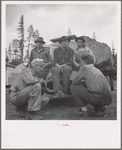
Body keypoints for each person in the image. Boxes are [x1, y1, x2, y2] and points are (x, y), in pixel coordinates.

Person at [70, 52, 112, 117]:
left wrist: (81, 81)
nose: (79, 63)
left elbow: (74, 82)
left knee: (73, 87)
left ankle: (84, 111)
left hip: (97, 98)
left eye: (80, 61)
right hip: (108, 97)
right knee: (95, 90)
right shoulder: (96, 69)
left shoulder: (84, 67)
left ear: (84, 62)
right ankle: (100, 110)